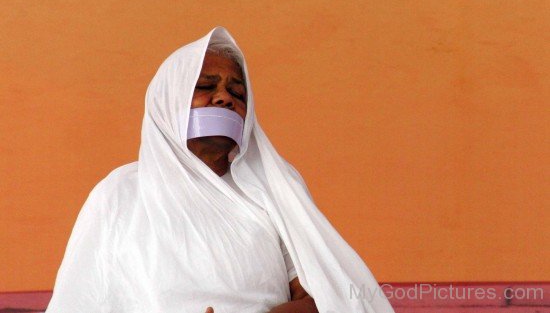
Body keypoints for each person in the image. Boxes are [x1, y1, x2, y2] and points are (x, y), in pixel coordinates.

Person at [46, 27, 394, 313]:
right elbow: (81, 300)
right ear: (168, 103)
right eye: (206, 87)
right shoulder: (120, 193)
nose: (225, 99)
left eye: (237, 92)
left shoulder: (271, 187)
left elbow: (324, 298)